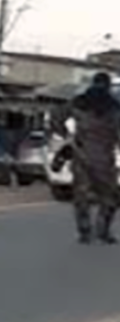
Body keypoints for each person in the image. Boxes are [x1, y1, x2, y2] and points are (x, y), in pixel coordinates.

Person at [51, 72, 120, 244]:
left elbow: (56, 117)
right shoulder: (114, 106)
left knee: (81, 195)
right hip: (104, 156)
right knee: (109, 196)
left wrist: (66, 136)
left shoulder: (78, 102)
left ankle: (84, 231)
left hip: (81, 154)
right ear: (108, 85)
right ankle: (103, 230)